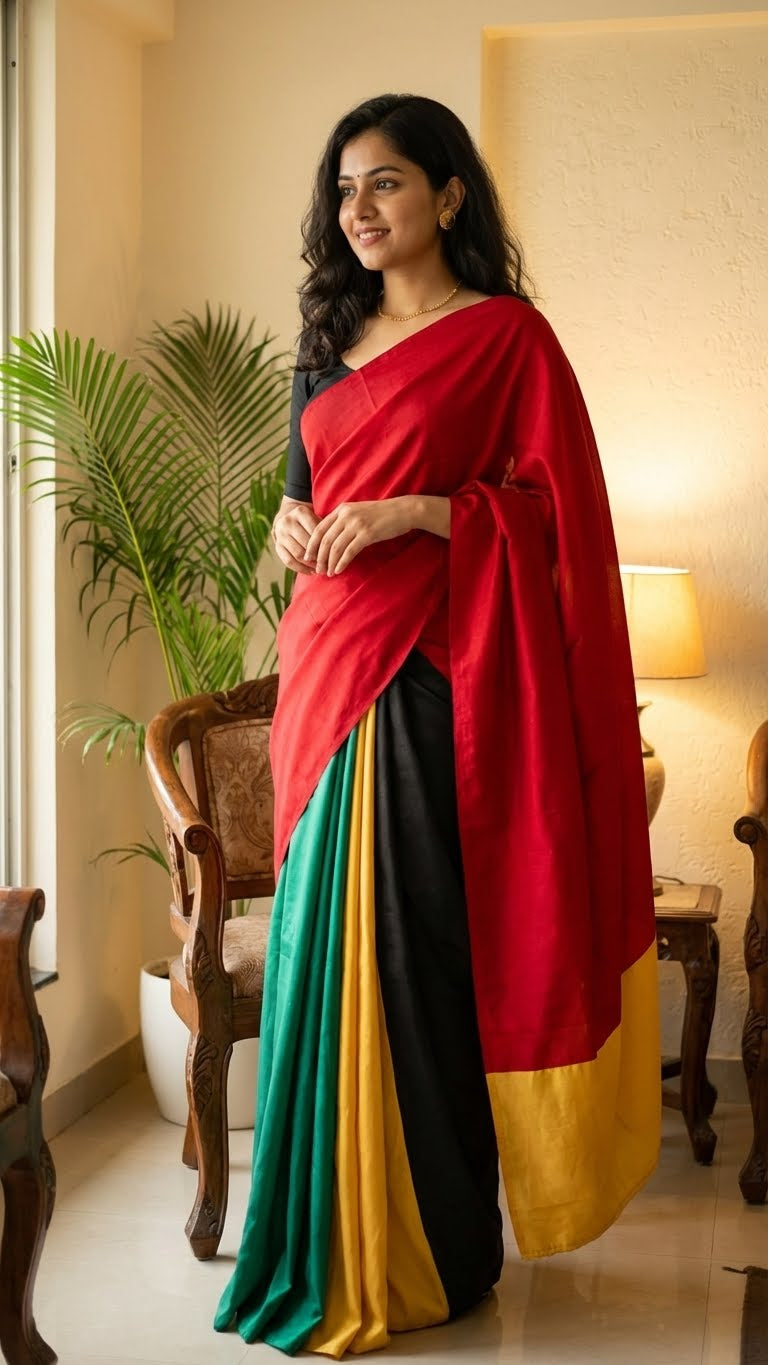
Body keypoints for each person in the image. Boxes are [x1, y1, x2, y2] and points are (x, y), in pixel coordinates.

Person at [214, 92, 660, 1359]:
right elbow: (297, 513)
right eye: (345, 191)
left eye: (387, 184)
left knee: (415, 960)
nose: (360, 210)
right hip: (325, 676)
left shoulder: (508, 340)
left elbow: (557, 521)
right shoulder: (326, 343)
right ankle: (319, 1236)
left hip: (430, 686)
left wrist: (421, 515)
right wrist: (289, 531)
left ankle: (437, 1244)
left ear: (449, 194)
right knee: (317, 963)